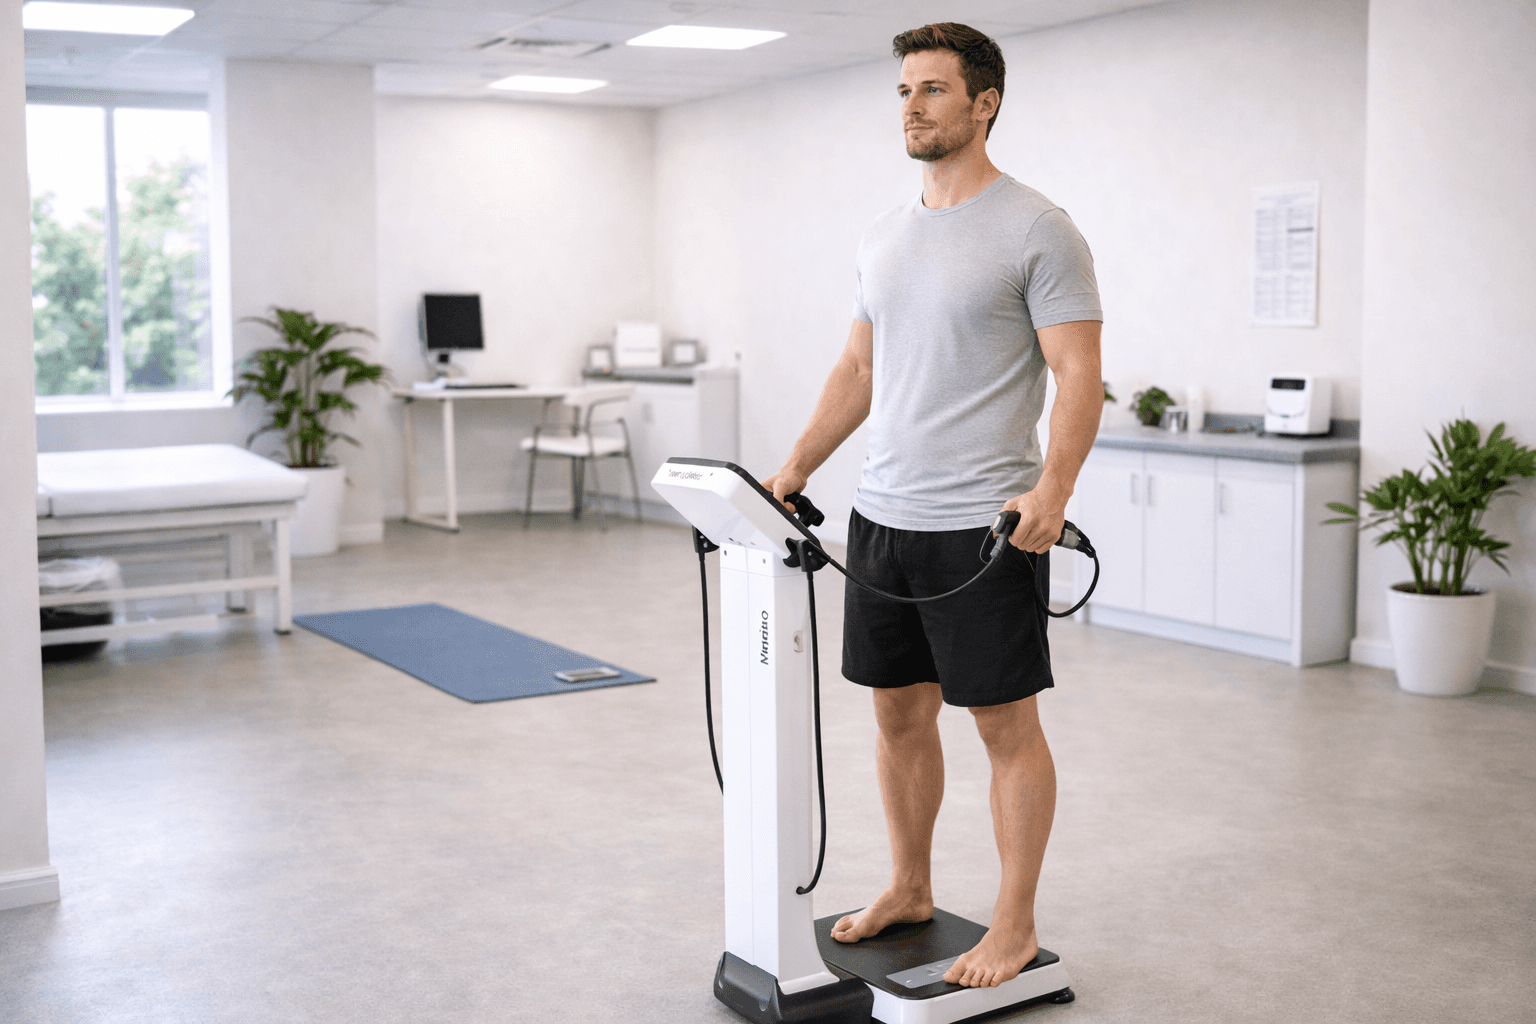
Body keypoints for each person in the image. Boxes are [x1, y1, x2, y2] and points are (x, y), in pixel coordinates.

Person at [762, 22, 1104, 990]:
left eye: (932, 90)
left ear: (984, 102)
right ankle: (911, 884)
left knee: (1006, 731)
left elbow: (1079, 373)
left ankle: (1015, 922)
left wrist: (1053, 490)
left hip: (981, 530)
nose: (910, 106)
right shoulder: (885, 236)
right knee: (898, 716)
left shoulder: (1039, 229)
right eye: (903, 90)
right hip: (883, 521)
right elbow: (859, 369)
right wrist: (791, 470)